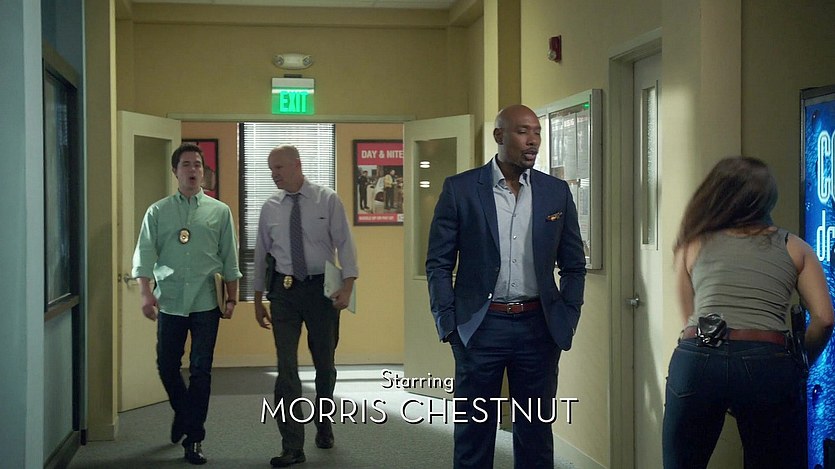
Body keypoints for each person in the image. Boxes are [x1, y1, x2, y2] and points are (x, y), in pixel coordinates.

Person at [426, 104, 587, 469]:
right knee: (474, 435)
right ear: (499, 136)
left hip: (538, 328)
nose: (533, 141)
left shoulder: (555, 193)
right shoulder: (461, 190)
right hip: (480, 326)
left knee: (535, 435)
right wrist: (448, 323)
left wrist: (567, 315)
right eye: (522, 131)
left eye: (537, 132)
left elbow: (574, 264)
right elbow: (438, 263)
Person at [662, 156, 835, 469]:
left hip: (698, 359)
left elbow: (689, 320)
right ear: (768, 197)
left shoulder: (693, 244)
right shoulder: (795, 247)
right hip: (766, 360)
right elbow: (824, 319)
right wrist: (800, 361)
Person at [132, 143, 242, 465]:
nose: (192, 170)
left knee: (200, 370)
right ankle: (184, 413)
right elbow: (144, 255)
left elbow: (230, 257)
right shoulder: (158, 211)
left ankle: (194, 438)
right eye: (186, 164)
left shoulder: (219, 211)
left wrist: (232, 297)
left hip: (206, 301)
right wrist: (145, 293)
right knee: (166, 365)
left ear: (203, 171)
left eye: (197, 164)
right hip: (170, 302)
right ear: (175, 171)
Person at [253, 145, 358, 468]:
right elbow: (260, 254)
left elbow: (345, 244)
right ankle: (292, 446)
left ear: (297, 165)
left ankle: (323, 422)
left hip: (321, 291)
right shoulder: (270, 207)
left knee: (324, 364)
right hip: (283, 291)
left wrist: (348, 286)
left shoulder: (327, 200)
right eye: (271, 169)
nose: (274, 174)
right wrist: (257, 298)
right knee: (286, 368)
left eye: (279, 168)